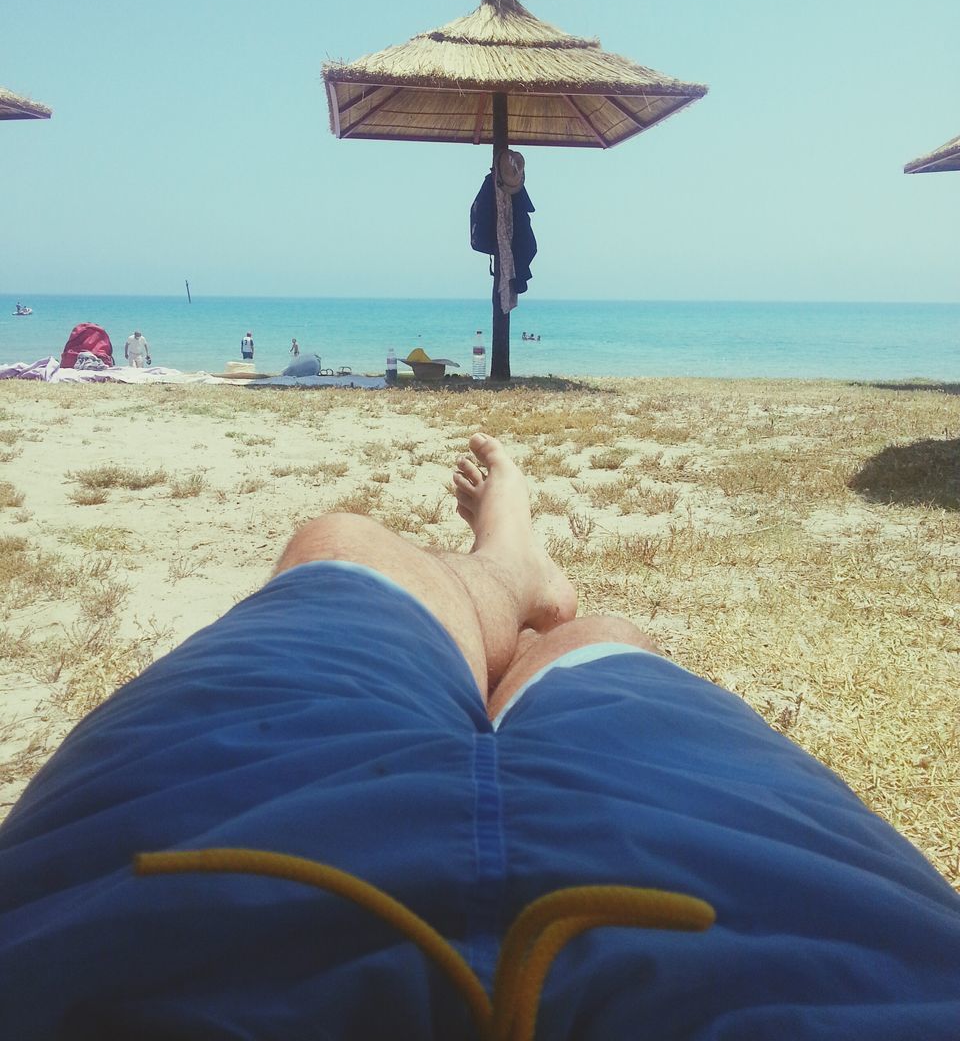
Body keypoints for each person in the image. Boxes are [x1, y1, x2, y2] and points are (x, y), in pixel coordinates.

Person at [0, 434, 958, 1039]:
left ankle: (503, 568)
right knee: (598, 648)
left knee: (339, 548)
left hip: (160, 897)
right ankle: (522, 581)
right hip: (811, 940)